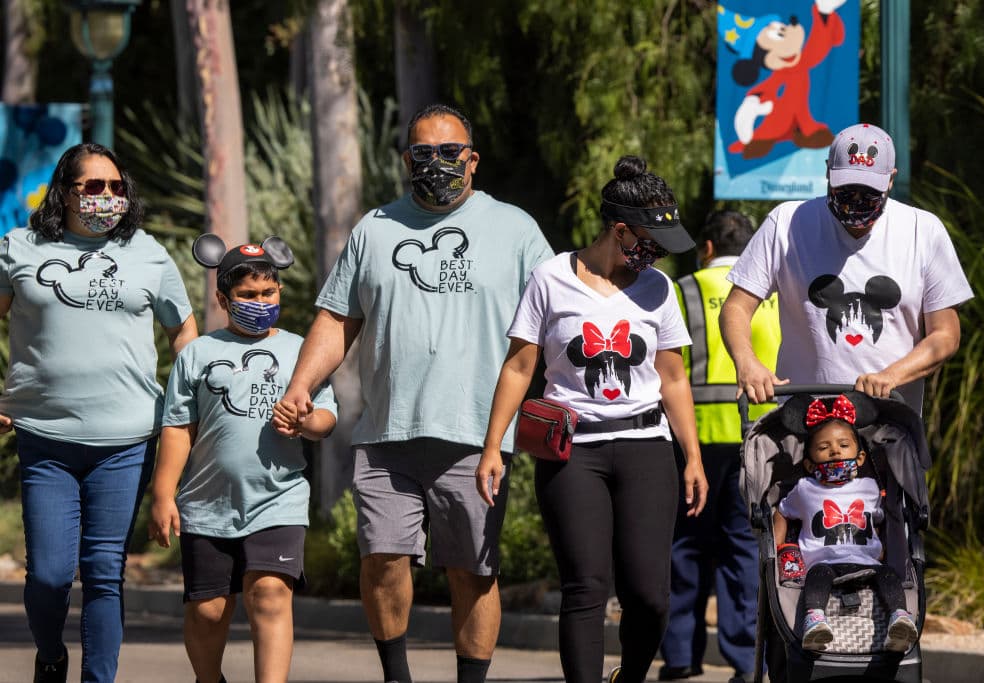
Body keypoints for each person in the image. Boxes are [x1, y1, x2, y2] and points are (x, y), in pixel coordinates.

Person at [275, 103, 552, 683]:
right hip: (387, 432)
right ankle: (396, 677)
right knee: (381, 561)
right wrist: (302, 384)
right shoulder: (376, 229)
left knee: (471, 571)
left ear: (472, 160)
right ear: (406, 160)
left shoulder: (517, 229)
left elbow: (556, 319)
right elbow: (335, 318)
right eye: (423, 154)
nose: (437, 163)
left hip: (479, 434)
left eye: (450, 152)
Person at [476, 155, 709, 683]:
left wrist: (691, 455)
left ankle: (629, 675)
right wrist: (494, 446)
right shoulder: (551, 279)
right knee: (585, 586)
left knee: (649, 596)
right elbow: (519, 366)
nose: (657, 256)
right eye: (650, 242)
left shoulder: (659, 290)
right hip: (572, 451)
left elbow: (673, 379)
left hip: (647, 448)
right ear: (620, 230)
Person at [0, 142, 198, 683]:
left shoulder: (148, 254)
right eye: (93, 187)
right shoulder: (19, 247)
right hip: (45, 439)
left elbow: (183, 331)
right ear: (65, 192)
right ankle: (50, 655)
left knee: (105, 574)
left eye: (116, 187)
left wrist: (189, 400)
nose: (107, 197)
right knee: (47, 575)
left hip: (126, 440)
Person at [148, 235, 337, 683]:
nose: (259, 302)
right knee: (209, 611)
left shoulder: (300, 352)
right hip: (207, 506)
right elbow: (178, 428)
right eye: (247, 295)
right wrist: (162, 494)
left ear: (280, 291)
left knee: (270, 595)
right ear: (222, 298)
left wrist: (308, 422)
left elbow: (328, 416)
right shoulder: (197, 354)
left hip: (279, 499)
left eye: (267, 293)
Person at [720, 123, 974, 415]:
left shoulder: (923, 230)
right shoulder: (786, 222)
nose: (855, 199)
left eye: (868, 190)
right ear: (828, 171)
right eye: (846, 187)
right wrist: (747, 362)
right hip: (803, 422)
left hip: (888, 423)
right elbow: (737, 307)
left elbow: (945, 334)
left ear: (891, 180)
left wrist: (891, 376)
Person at [659, 211, 781, 683]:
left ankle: (679, 658)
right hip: (762, 443)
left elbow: (668, 371)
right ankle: (745, 662)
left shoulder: (681, 290)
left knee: (685, 548)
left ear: (706, 247)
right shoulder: (770, 296)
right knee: (745, 550)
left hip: (694, 443)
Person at [772, 391, 919, 653]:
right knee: (816, 578)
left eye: (843, 445)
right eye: (823, 447)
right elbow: (782, 511)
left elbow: (879, 522)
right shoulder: (806, 489)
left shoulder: (870, 488)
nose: (835, 451)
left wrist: (882, 548)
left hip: (867, 562)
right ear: (809, 463)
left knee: (888, 575)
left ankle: (900, 618)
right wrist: (779, 545)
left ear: (860, 457)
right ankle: (815, 620)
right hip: (824, 562)